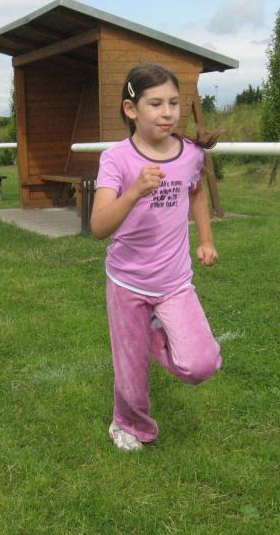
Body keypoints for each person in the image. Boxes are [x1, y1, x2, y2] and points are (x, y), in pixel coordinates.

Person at [90, 63, 223, 451]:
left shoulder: (191, 154)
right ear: (131, 109)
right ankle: (129, 425)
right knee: (131, 377)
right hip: (127, 282)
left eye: (174, 103)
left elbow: (195, 192)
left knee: (202, 364)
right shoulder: (116, 159)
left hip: (174, 282)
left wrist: (206, 239)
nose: (168, 113)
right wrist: (134, 192)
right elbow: (99, 226)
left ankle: (151, 335)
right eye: (156, 104)